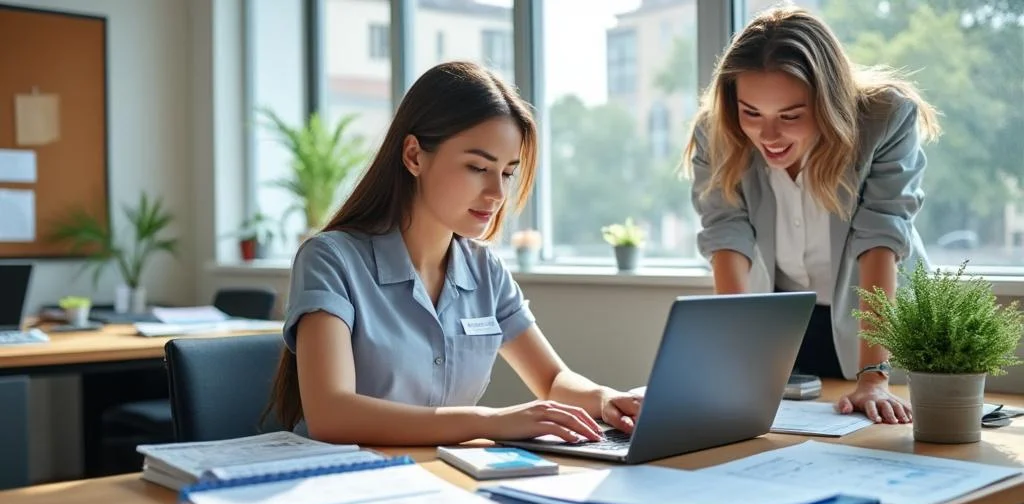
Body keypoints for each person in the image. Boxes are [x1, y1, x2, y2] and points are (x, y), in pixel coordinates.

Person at [263, 61, 642, 446]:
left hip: (440, 479)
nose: (497, 194)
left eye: (508, 173)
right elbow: (332, 414)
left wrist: (607, 399)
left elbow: (551, 380)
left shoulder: (485, 269)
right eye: (478, 167)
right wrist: (488, 422)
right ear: (413, 156)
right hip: (338, 484)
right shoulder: (330, 259)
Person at [684, 6, 940, 425]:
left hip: (877, 324)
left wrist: (874, 376)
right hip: (786, 327)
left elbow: (880, 237)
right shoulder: (717, 131)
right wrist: (736, 363)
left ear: (828, 101)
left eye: (791, 116)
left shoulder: (885, 117)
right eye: (752, 113)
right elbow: (725, 233)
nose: (768, 136)